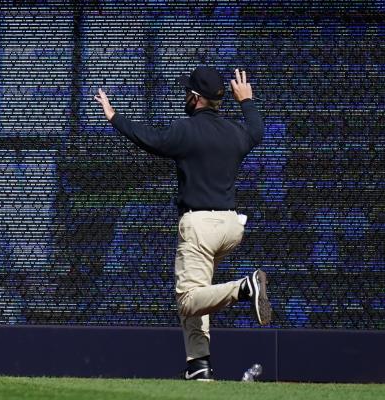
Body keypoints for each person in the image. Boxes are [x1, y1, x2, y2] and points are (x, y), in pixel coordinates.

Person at [93, 66, 268, 382]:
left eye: (189, 92)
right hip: (230, 225)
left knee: (187, 299)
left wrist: (114, 117)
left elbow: (151, 139)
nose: (185, 96)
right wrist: (247, 101)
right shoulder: (235, 132)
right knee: (198, 295)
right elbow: (256, 131)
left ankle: (245, 287)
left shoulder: (186, 130)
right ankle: (198, 365)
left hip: (200, 226)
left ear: (197, 98)